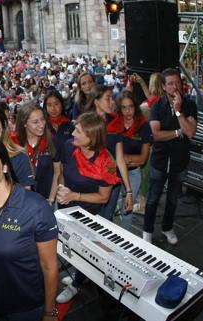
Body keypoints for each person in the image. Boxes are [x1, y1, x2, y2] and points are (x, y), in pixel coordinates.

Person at [0, 135, 59, 320]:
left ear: (5, 165)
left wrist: (49, 312)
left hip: (27, 310)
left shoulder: (36, 208)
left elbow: (50, 267)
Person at [55, 112, 120, 303]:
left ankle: (76, 284)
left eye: (78, 130)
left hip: (88, 213)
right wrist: (61, 189)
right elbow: (62, 172)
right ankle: (78, 273)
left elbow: (103, 197)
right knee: (70, 248)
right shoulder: (69, 147)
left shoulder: (106, 162)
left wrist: (74, 196)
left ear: (91, 138)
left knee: (83, 250)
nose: (72, 133)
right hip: (67, 207)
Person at [143, 68, 197, 245]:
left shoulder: (189, 105)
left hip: (180, 162)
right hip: (159, 161)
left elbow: (190, 133)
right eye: (171, 83)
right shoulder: (157, 106)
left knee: (173, 199)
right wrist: (177, 131)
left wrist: (179, 111)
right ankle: (147, 231)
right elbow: (155, 135)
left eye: (178, 83)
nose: (175, 87)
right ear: (164, 87)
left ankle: (167, 228)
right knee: (152, 199)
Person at [85, 85, 132, 221]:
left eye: (112, 98)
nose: (112, 102)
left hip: (111, 181)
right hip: (90, 180)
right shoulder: (85, 123)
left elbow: (120, 158)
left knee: (106, 220)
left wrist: (128, 190)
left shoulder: (116, 122)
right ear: (96, 101)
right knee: (89, 220)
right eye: (108, 98)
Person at [108, 90, 151, 230]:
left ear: (136, 107)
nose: (128, 111)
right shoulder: (113, 123)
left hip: (133, 173)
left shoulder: (143, 126)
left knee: (127, 209)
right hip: (113, 173)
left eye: (131, 107)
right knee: (110, 208)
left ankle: (125, 237)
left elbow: (143, 158)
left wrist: (123, 159)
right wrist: (129, 160)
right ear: (119, 109)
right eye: (124, 107)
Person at [14, 102, 59, 203]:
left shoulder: (52, 141)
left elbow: (58, 172)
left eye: (43, 119)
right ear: (24, 123)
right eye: (35, 122)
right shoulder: (15, 144)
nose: (42, 125)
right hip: (21, 201)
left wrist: (51, 198)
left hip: (46, 200)